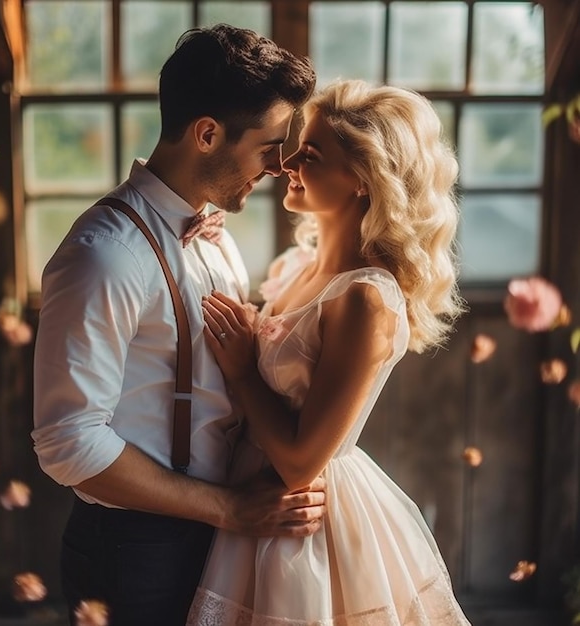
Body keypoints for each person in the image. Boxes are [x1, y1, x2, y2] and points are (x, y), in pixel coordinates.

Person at [31, 24, 325, 626]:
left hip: (214, 533)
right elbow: (69, 443)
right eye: (269, 148)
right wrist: (229, 509)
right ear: (208, 134)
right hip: (134, 550)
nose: (277, 167)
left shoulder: (213, 237)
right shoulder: (104, 255)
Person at [188, 80, 471, 625]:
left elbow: (298, 464)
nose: (285, 162)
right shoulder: (297, 264)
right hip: (246, 500)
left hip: (303, 527)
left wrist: (244, 370)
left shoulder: (365, 298)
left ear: (363, 180)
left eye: (310, 154)